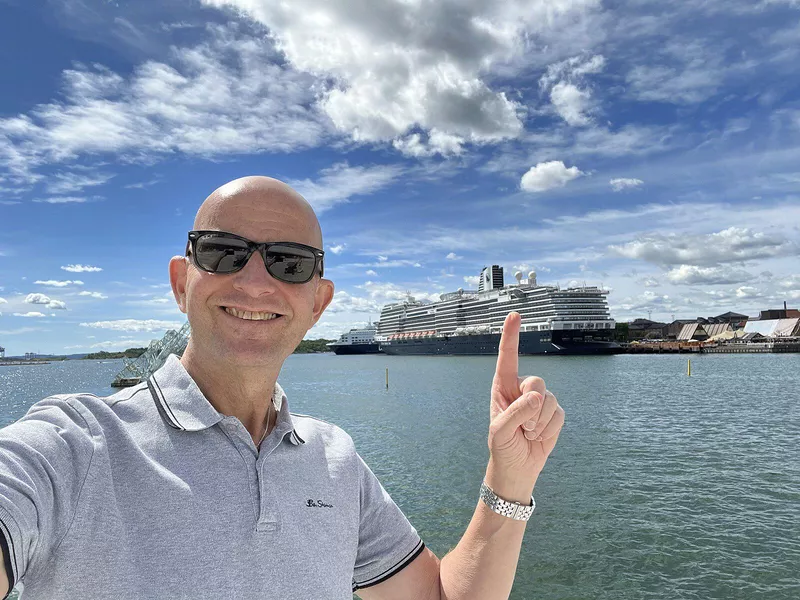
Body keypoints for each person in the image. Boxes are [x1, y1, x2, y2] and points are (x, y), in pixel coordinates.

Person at [0, 176, 564, 599]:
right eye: (223, 251)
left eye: (289, 264)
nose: (254, 282)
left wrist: (509, 478)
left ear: (319, 303)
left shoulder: (334, 459)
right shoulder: (73, 444)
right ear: (181, 281)